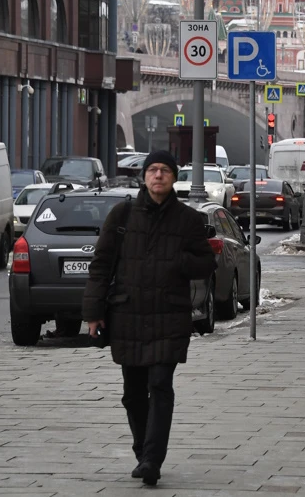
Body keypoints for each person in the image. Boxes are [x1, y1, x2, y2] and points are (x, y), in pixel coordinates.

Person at [83, 151, 217, 486]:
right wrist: (93, 313)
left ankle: (152, 460)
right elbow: (101, 265)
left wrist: (179, 261)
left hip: (169, 316)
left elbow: (206, 263)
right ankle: (143, 450)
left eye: (165, 171)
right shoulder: (122, 214)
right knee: (133, 392)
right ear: (144, 177)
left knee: (160, 384)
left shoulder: (187, 219)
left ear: (174, 178)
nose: (158, 175)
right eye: (153, 170)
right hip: (128, 314)